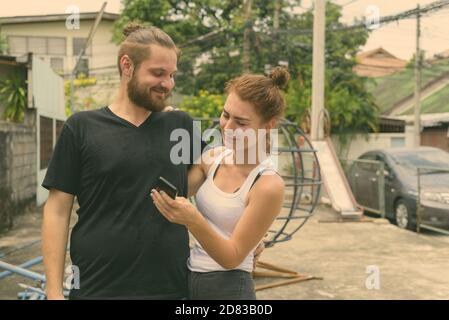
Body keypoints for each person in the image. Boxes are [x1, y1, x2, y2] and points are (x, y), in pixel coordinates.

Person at [41, 23, 202, 300]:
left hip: (170, 288)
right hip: (96, 288)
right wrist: (53, 290)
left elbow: (217, 177)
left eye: (172, 75)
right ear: (127, 65)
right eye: (158, 73)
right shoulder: (81, 127)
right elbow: (57, 211)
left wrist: (248, 240)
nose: (168, 84)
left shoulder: (180, 126)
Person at [152, 67, 289, 300]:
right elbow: (172, 191)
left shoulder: (267, 185)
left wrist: (193, 220)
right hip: (190, 279)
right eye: (226, 115)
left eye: (241, 122)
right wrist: (163, 126)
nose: (227, 127)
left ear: (268, 125)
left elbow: (232, 256)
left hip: (229, 286)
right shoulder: (213, 159)